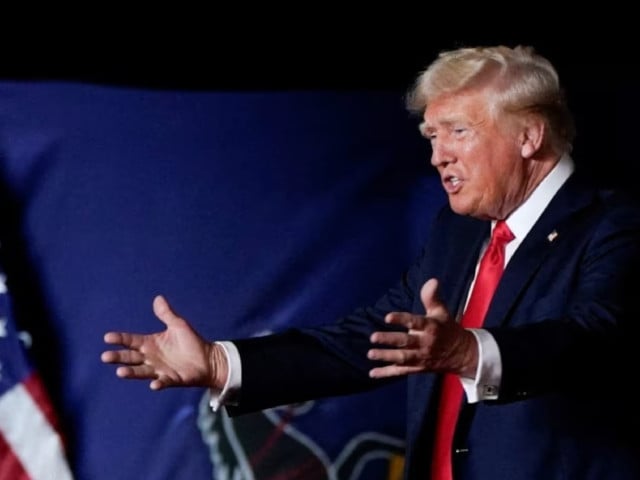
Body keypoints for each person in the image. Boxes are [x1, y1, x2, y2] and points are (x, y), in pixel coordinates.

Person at [101, 45, 640, 479]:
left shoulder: (614, 223)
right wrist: (222, 364)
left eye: (458, 131)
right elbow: (371, 339)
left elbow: (594, 342)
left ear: (529, 136)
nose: (437, 155)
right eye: (431, 136)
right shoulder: (458, 233)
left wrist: (468, 351)